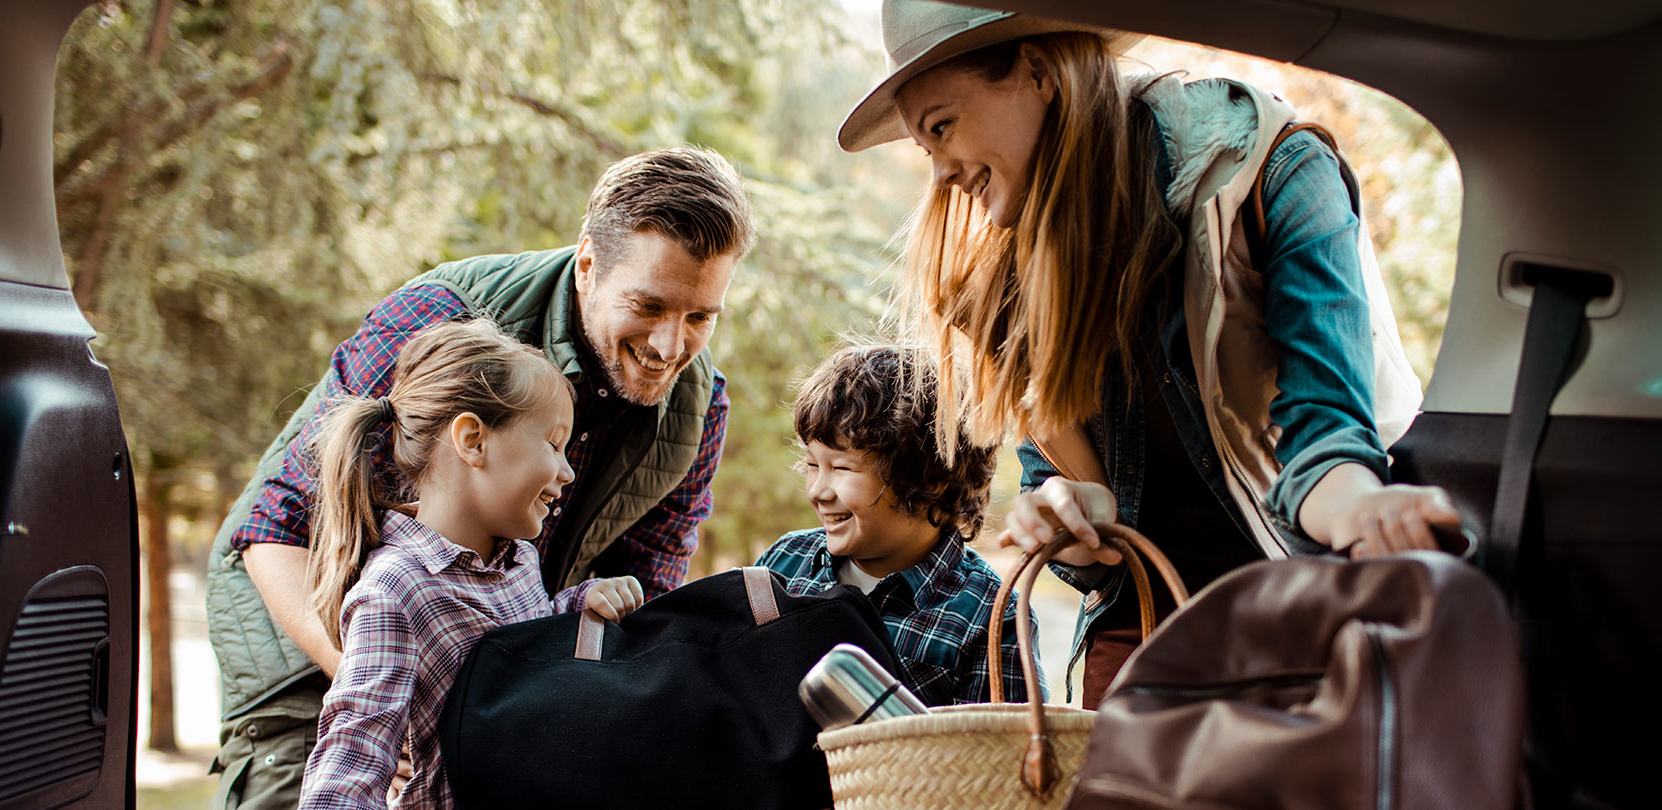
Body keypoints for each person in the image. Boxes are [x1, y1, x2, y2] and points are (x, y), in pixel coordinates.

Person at [838, 0, 1463, 706]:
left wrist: (1368, 515)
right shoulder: (1011, 287)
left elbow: (1328, 443)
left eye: (942, 127)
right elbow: (1089, 533)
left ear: (1037, 71)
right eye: (927, 150)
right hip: (1146, 647)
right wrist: (1065, 517)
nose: (942, 175)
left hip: (1304, 616)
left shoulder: (1274, 172)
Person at [203, 146, 754, 807]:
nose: (670, 346)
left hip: (480, 681)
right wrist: (387, 695)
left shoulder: (699, 409)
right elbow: (277, 526)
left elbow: (638, 598)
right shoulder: (441, 318)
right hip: (311, 639)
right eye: (649, 305)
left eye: (700, 317)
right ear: (587, 265)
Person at [295, 319, 646, 809]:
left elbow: (528, 654)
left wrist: (579, 605)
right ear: (473, 441)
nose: (567, 472)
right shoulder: (395, 591)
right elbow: (350, 762)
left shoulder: (517, 559)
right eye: (553, 443)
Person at [754, 344, 1038, 706]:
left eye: (842, 468)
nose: (817, 491)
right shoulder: (783, 563)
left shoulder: (993, 617)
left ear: (932, 478)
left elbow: (1001, 754)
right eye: (812, 465)